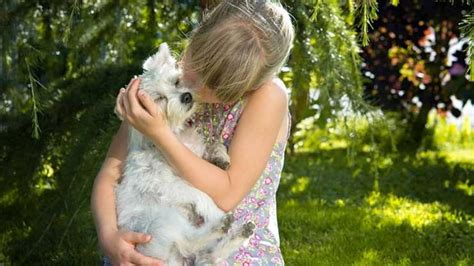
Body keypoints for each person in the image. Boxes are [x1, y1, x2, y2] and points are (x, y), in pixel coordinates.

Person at [91, 0, 295, 265]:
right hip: (159, 242)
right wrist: (108, 237)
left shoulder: (267, 97)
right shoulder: (166, 82)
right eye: (194, 61)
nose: (192, 84)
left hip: (233, 251)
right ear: (198, 34)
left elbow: (228, 193)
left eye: (214, 85)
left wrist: (159, 133)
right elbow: (111, 172)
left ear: (250, 86)